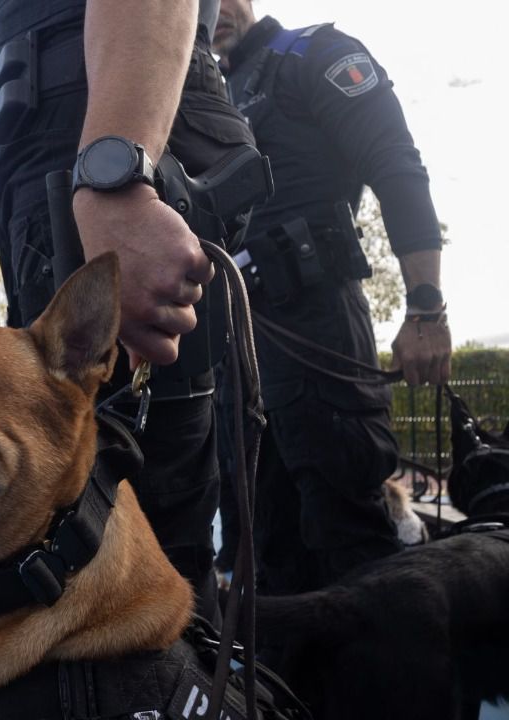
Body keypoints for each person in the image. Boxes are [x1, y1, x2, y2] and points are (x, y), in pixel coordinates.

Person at [0, 0, 256, 621]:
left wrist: (115, 176)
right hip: (68, 126)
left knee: (141, 553)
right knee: (100, 545)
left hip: (100, 123)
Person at [213, 0, 451, 595]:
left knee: (349, 537)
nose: (207, 8)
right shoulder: (204, 95)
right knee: (263, 541)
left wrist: (425, 306)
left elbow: (395, 164)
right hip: (235, 343)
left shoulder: (312, 52)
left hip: (317, 323)